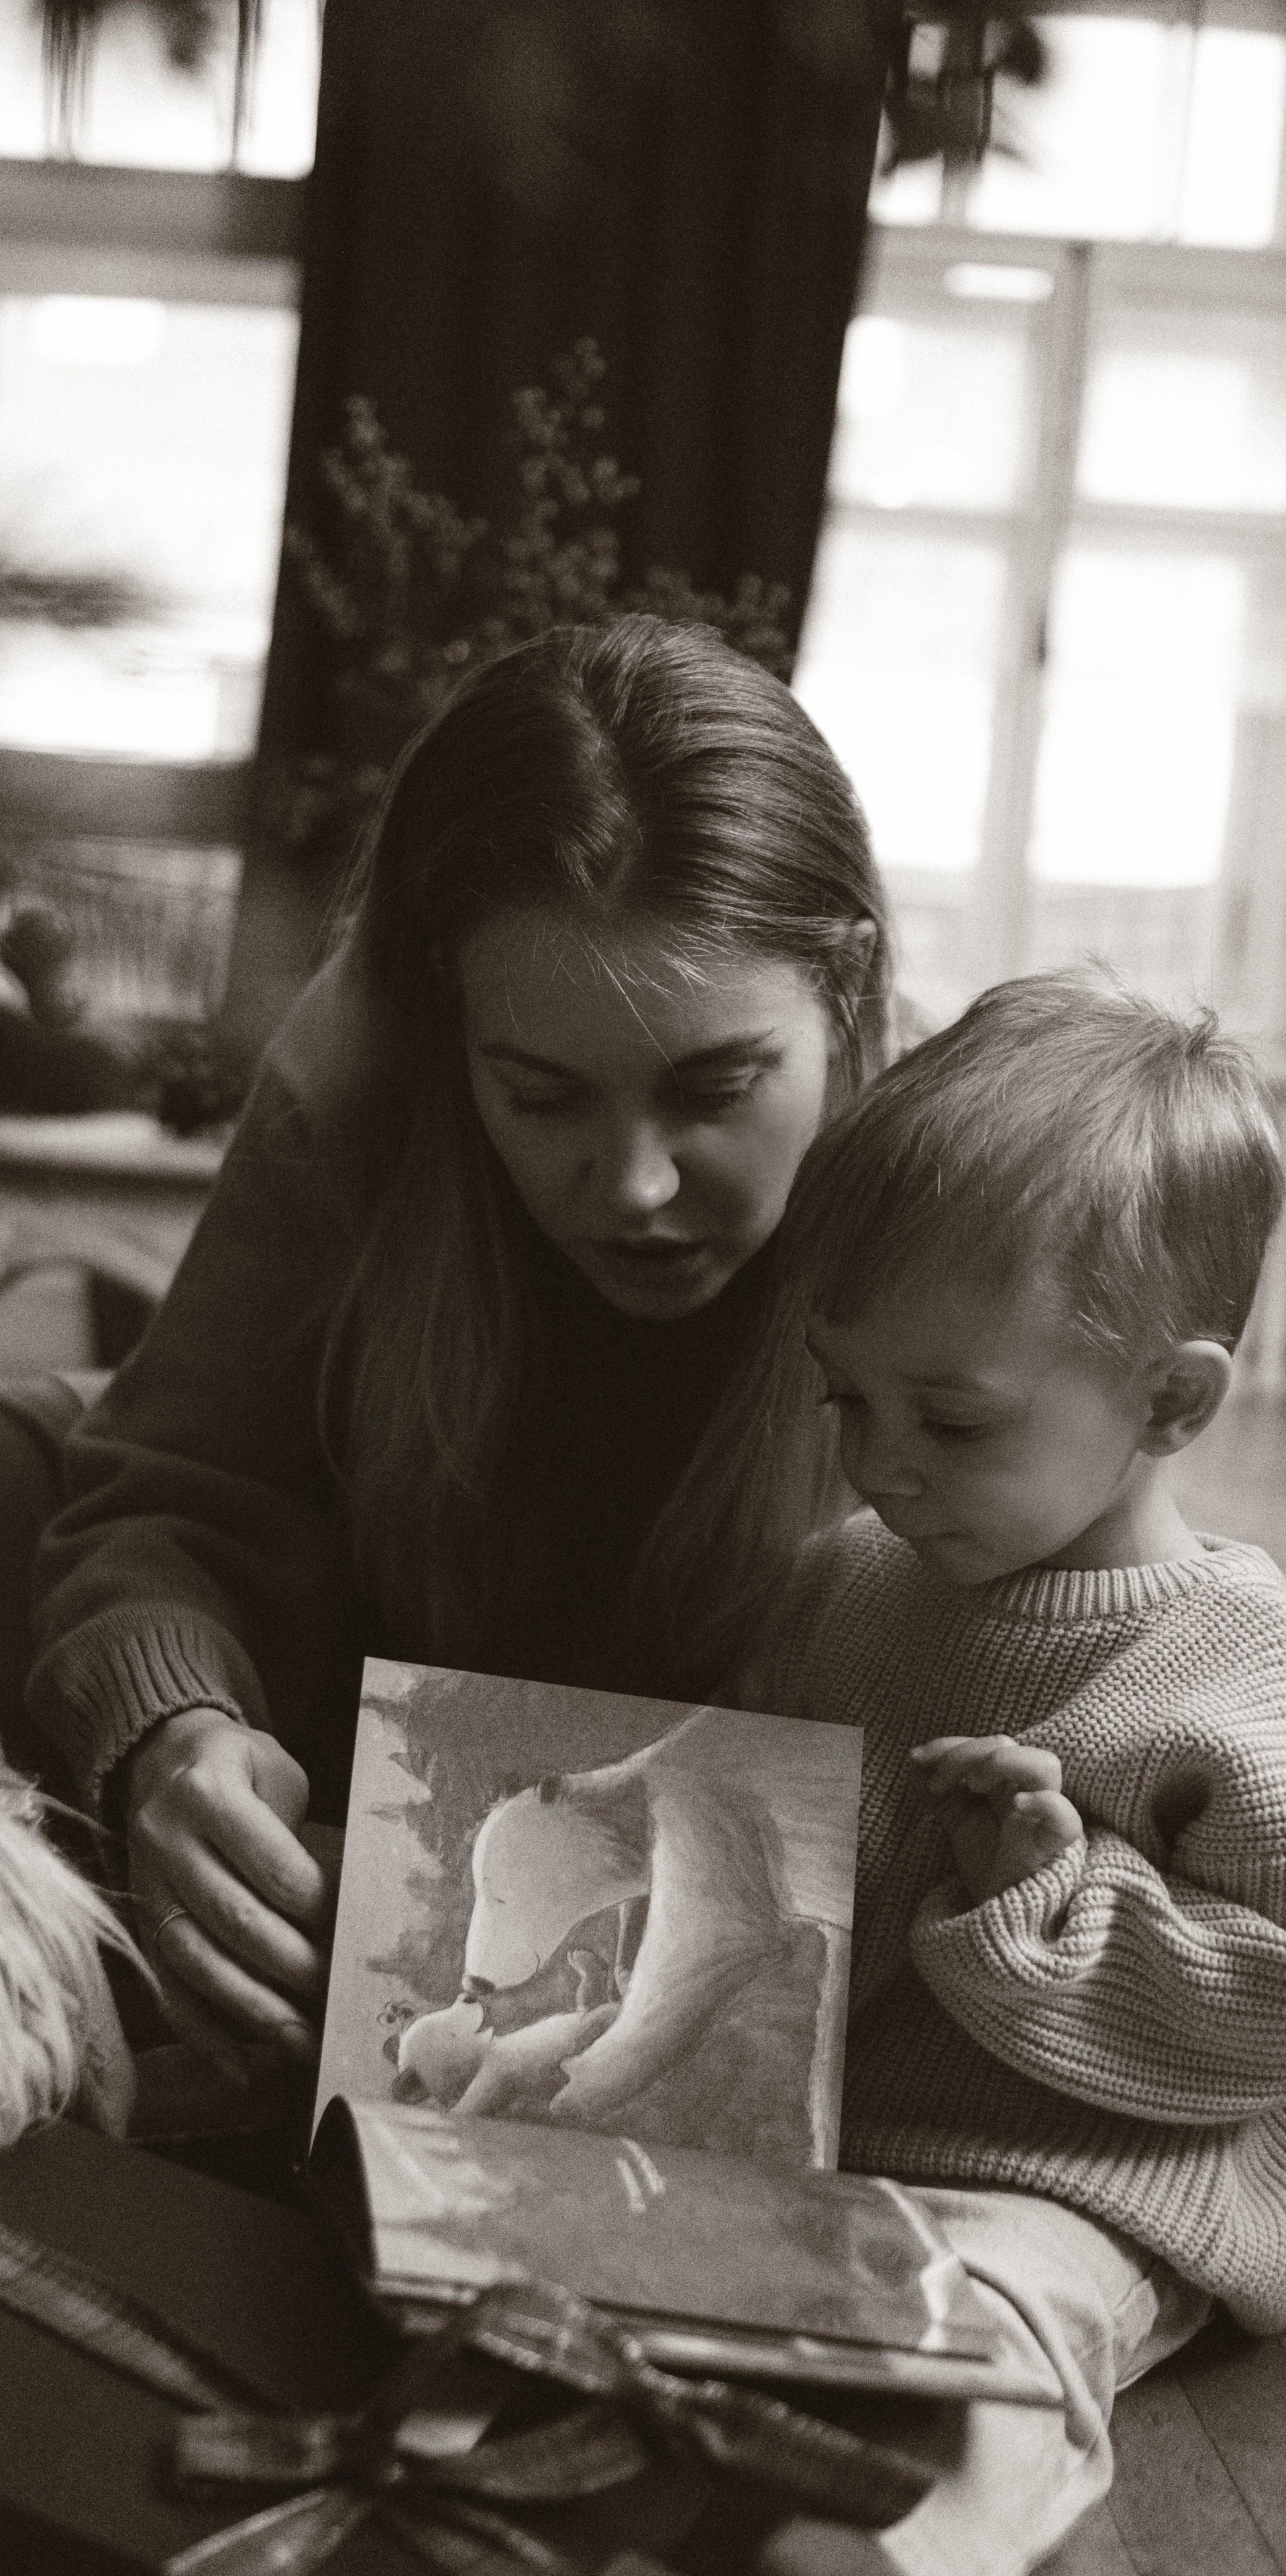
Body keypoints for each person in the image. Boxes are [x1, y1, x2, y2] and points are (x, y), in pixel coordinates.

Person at [28, 615, 895, 2070]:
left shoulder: (957, 1192)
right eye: (541, 1097)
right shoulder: (355, 1104)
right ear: (449, 1029)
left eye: (714, 1088)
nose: (630, 1187)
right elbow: (165, 1497)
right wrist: (173, 1730)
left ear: (850, 988)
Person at [736, 971, 1286, 2576]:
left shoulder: (1238, 1668)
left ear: (1169, 1401)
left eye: (950, 1420)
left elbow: (1268, 2017)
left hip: (1071, 2189)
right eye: (845, 1397)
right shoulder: (838, 1582)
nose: (875, 1460)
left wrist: (1050, 1893)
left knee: (988, 2330)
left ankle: (899, 2549)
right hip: (818, 2153)